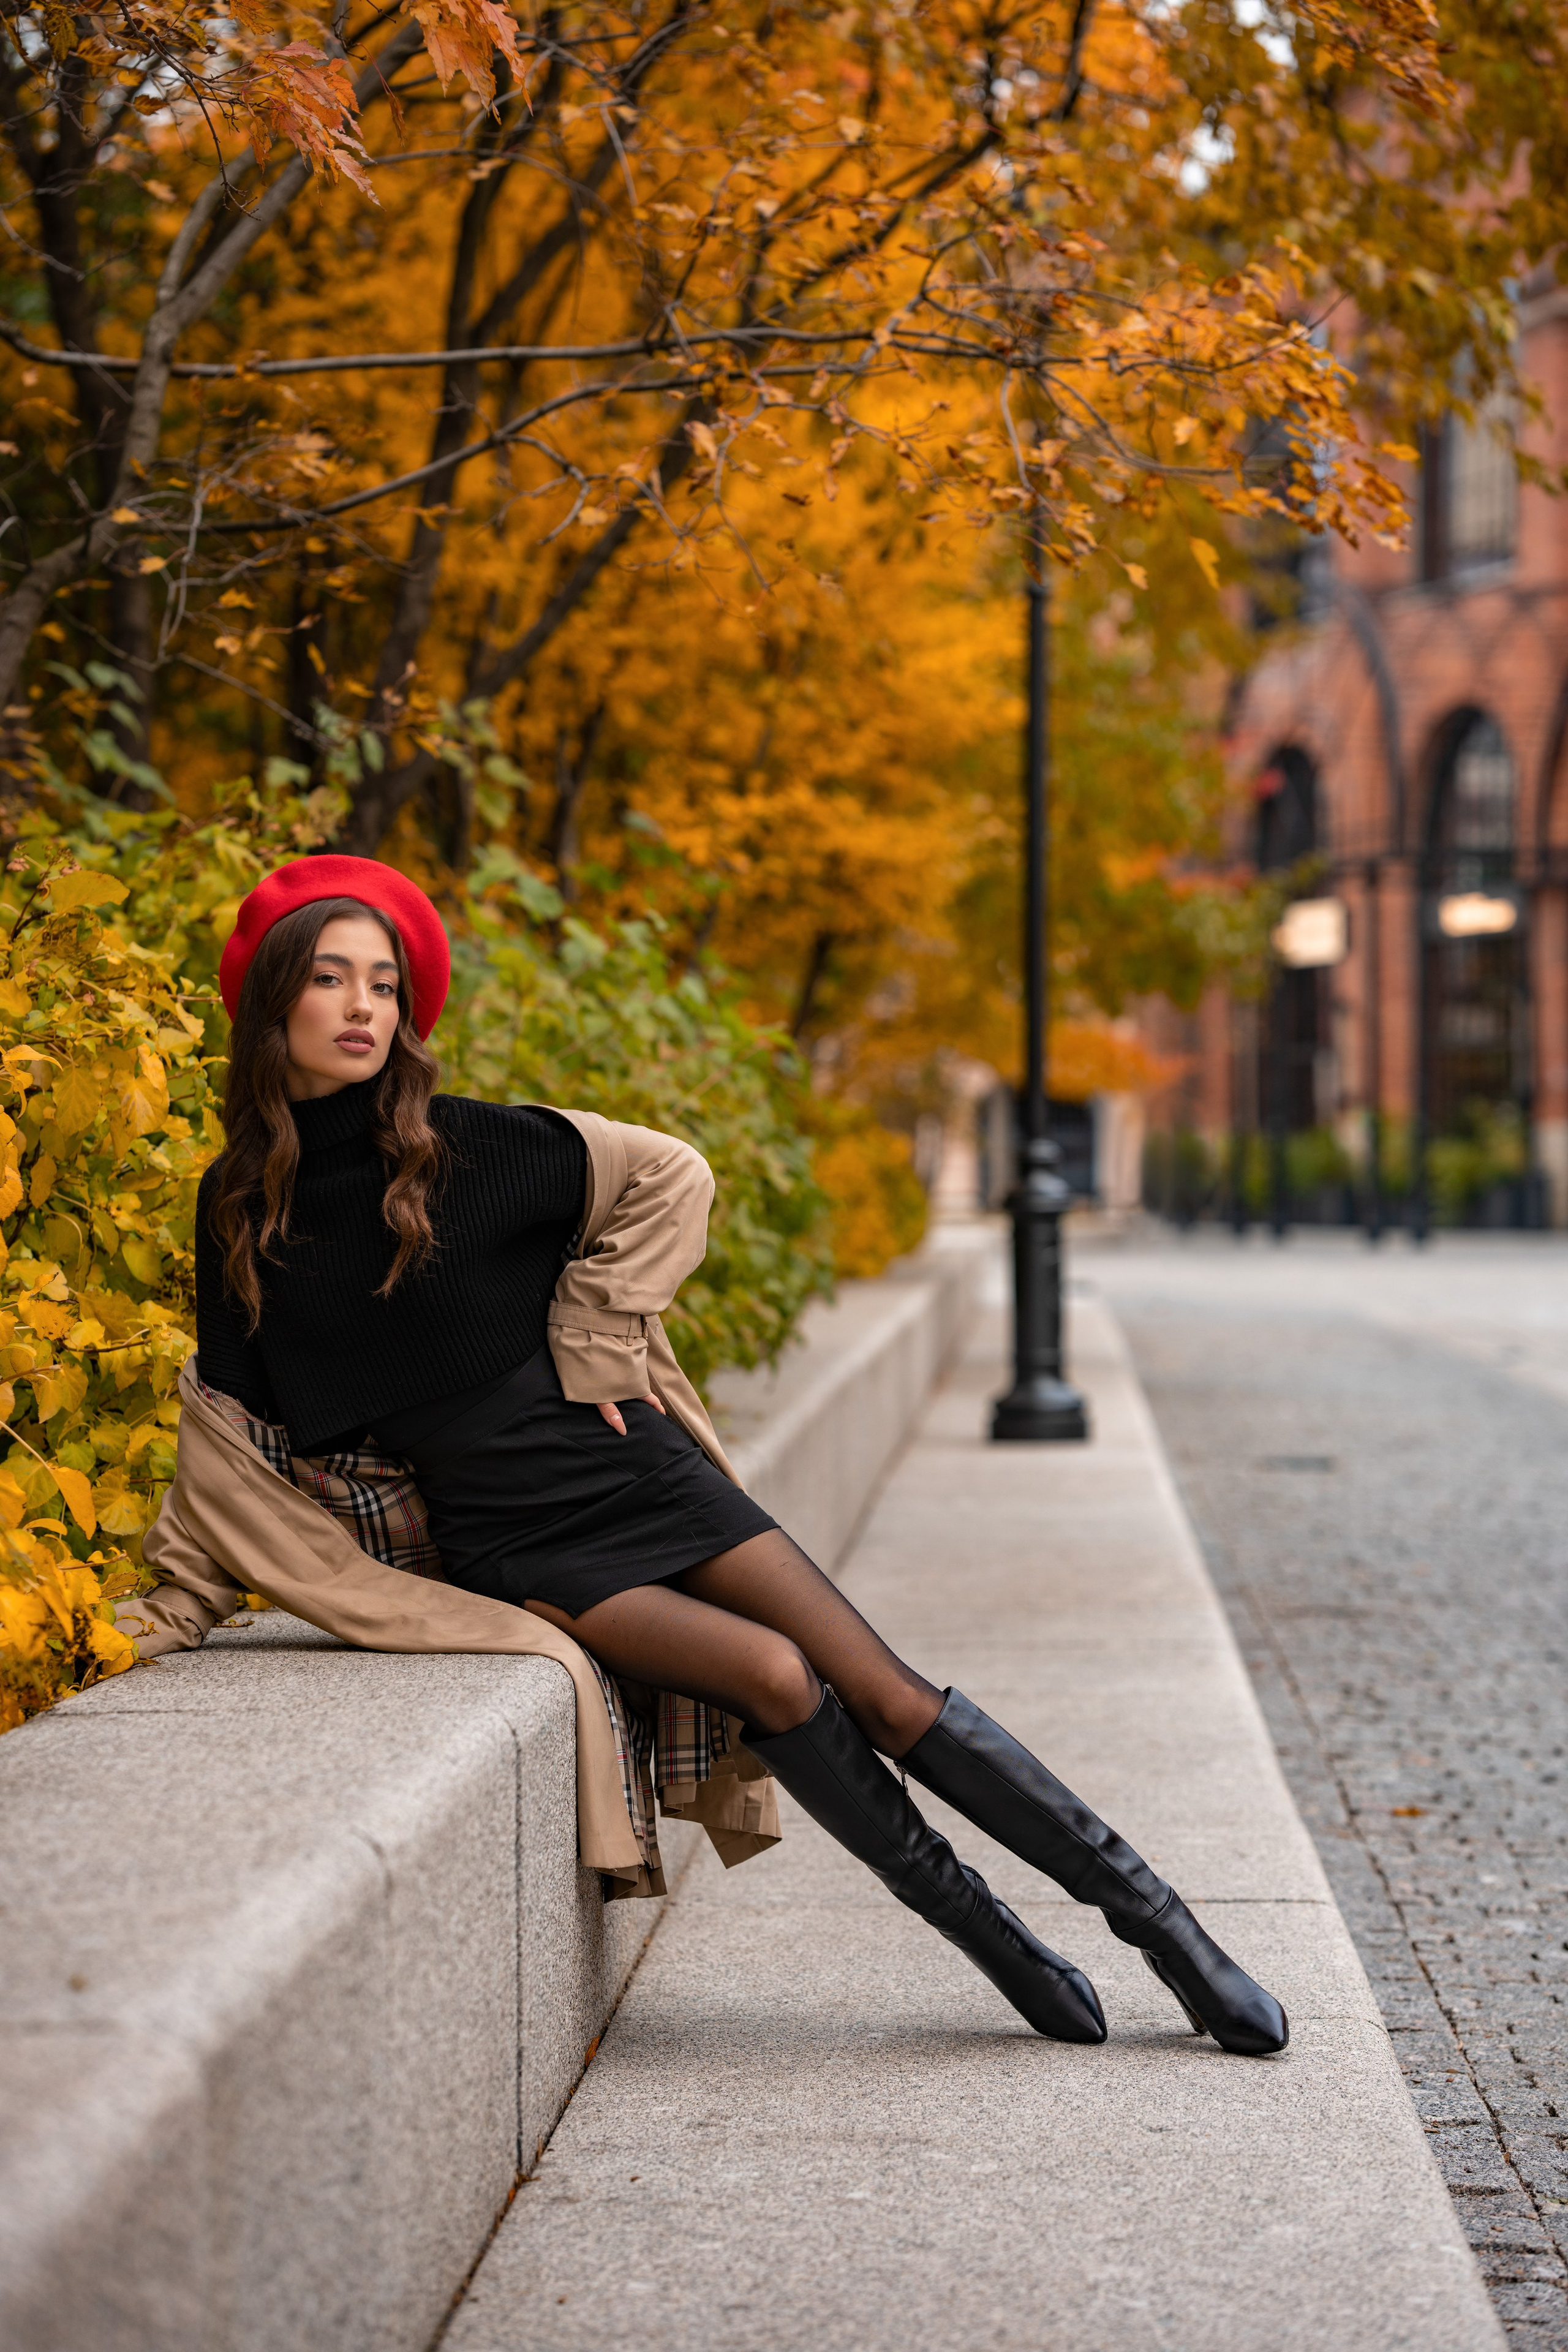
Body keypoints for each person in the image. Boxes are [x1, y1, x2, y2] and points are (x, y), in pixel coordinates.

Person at [189, 854, 1287, 2059]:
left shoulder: (472, 1147)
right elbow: (233, 1437)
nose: (361, 1007)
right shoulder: (239, 1209)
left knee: (887, 1693)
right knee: (769, 1678)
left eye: (384, 984)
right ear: (273, 1000)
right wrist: (168, 1608)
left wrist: (597, 1345)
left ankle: (1165, 1932)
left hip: (634, 1469)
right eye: (331, 979)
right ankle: (993, 1938)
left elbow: (670, 1172)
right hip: (514, 1541)